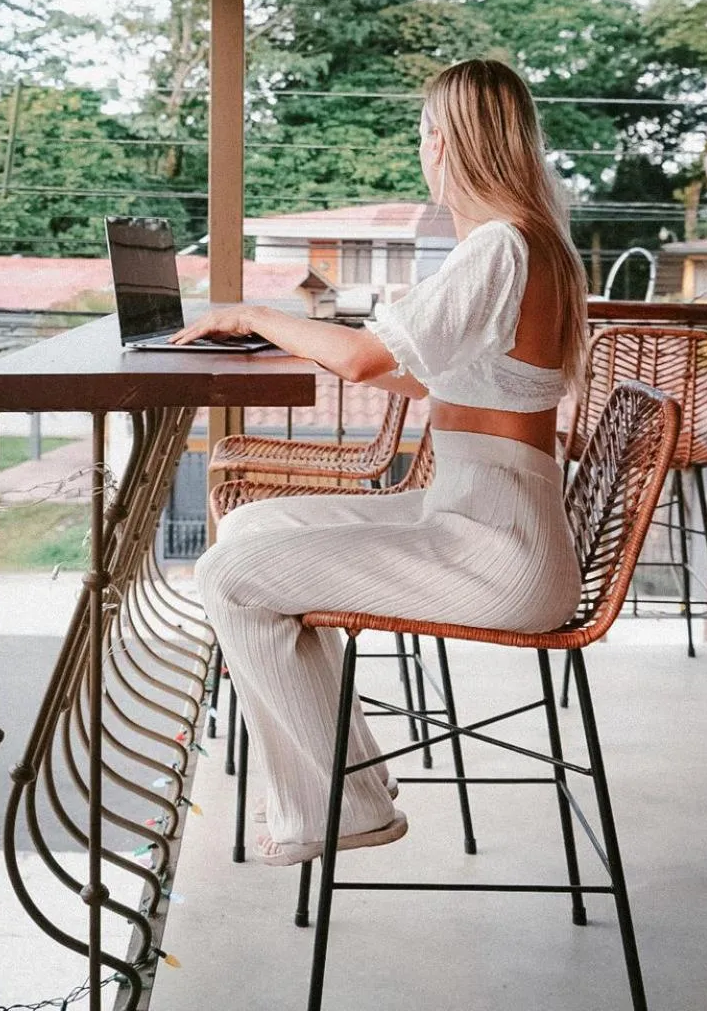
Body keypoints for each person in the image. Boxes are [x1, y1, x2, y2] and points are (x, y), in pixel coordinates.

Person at [177, 58, 587, 867]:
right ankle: (347, 778)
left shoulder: (500, 246)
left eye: (426, 132)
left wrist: (254, 313)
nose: (422, 149)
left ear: (450, 142)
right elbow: (416, 371)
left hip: (497, 551)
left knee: (229, 577)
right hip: (484, 519)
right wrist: (285, 336)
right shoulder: (524, 243)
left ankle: (342, 805)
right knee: (254, 524)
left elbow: (365, 362)